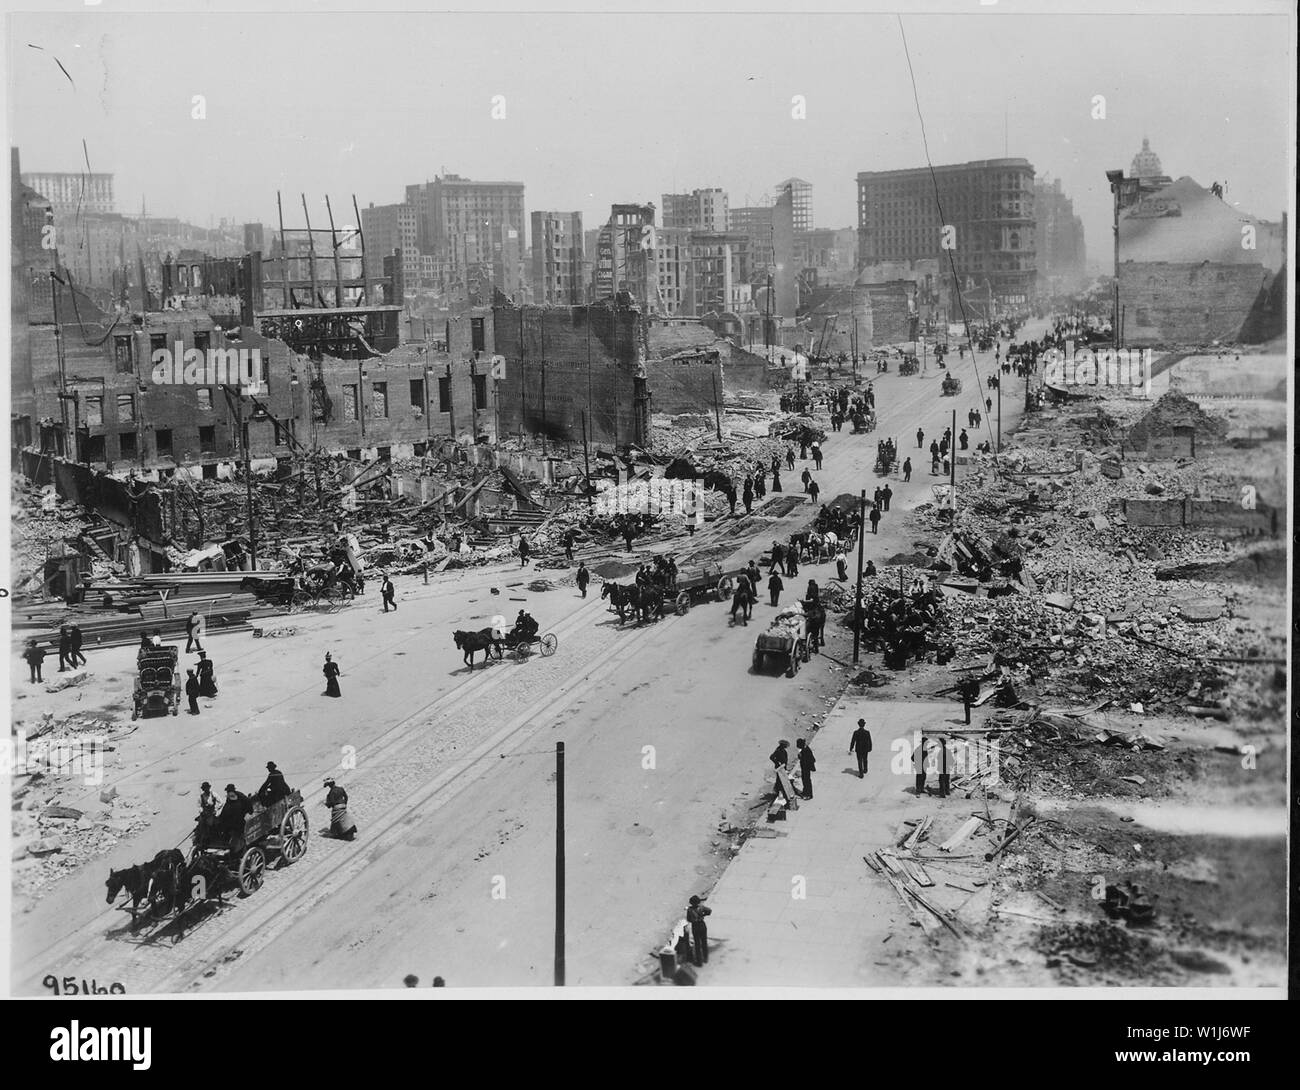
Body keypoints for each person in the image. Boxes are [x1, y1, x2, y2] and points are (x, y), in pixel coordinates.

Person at [687, 895, 712, 967]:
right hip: (702, 925)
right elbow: (709, 911)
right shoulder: (701, 907)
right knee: (704, 942)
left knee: (697, 944)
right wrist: (703, 915)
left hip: (695, 926)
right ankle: (705, 958)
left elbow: (688, 919)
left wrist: (693, 919)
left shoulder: (689, 910)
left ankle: (699, 962)